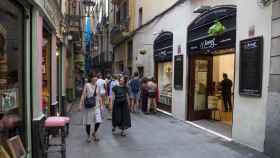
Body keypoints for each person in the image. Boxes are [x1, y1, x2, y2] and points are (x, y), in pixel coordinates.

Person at [79, 76, 102, 142]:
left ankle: (94, 133)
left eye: (96, 77)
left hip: (96, 106)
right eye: (94, 77)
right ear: (91, 78)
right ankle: (88, 136)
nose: (95, 78)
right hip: (89, 106)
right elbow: (83, 95)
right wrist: (80, 104)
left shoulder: (98, 86)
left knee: (98, 121)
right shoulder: (87, 85)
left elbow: (99, 96)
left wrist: (101, 105)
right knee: (88, 122)